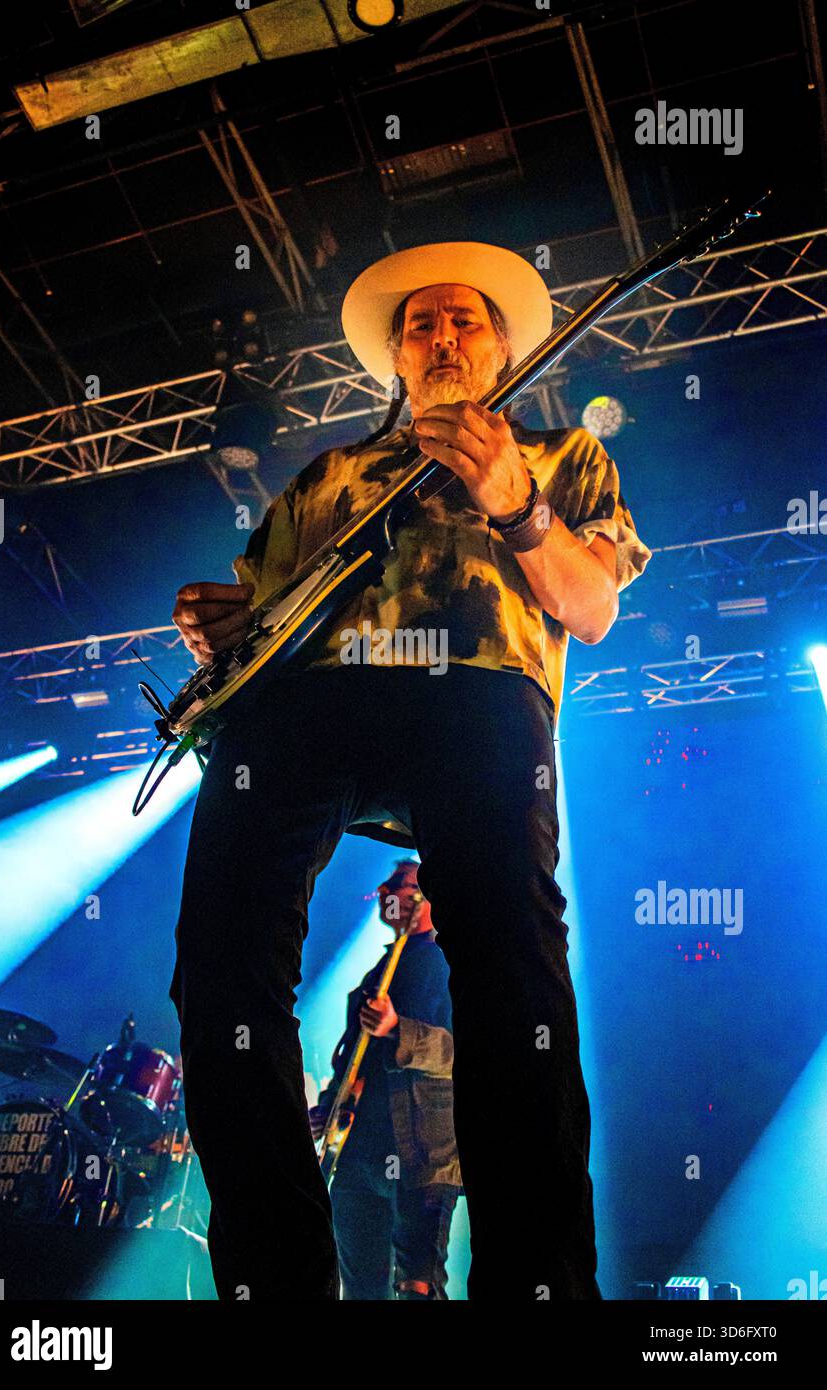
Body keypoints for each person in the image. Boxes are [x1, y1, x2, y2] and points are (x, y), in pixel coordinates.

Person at [169, 240, 652, 1300]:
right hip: (308, 702)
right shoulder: (329, 475)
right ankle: (275, 1279)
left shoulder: (560, 454)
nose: (442, 337)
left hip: (474, 686)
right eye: (421, 325)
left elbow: (591, 605)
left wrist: (511, 497)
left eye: (463, 321)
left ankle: (536, 1280)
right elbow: (261, 620)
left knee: (511, 960)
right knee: (217, 955)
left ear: (499, 348)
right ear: (394, 357)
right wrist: (225, 632)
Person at [309, 858, 460, 1300]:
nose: (384, 890)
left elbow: (461, 1055)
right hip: (358, 1156)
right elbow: (354, 1067)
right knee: (360, 1289)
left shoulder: (448, 965)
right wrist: (331, 1107)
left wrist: (398, 1029)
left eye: (399, 884)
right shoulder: (375, 976)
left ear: (427, 897)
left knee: (417, 1287)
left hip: (420, 1155)